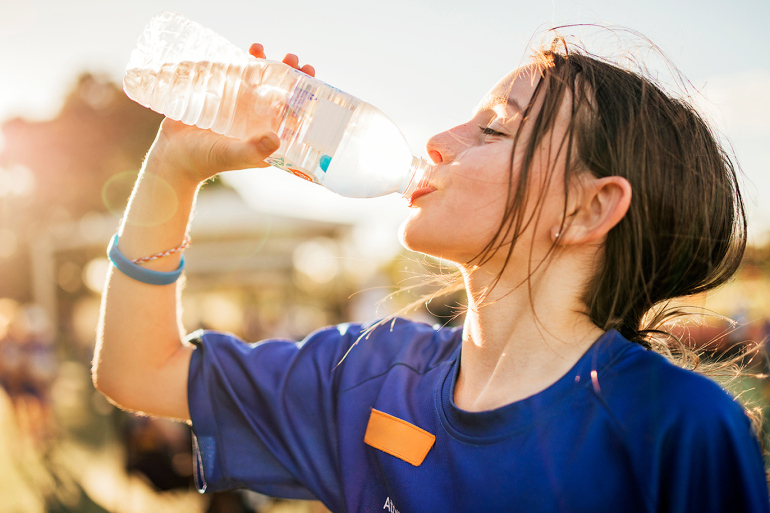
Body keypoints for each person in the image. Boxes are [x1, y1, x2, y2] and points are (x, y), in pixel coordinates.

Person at [93, 36, 770, 512]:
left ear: (588, 207)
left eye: (494, 130)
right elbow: (138, 370)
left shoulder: (678, 428)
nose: (439, 140)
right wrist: (173, 170)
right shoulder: (369, 373)